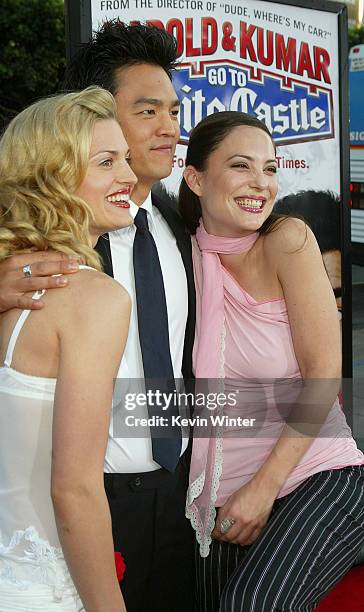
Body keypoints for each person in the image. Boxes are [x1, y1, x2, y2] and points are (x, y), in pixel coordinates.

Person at [0, 21, 196, 611]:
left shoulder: (186, 223)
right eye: (147, 110)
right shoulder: (34, 261)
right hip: (83, 506)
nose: (169, 127)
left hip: (176, 493)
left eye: (174, 110)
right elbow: (70, 487)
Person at [0, 87, 137, 611]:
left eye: (127, 160)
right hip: (40, 590)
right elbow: (73, 489)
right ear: (53, 176)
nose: (130, 177)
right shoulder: (96, 299)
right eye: (107, 161)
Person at [179, 111, 364, 611]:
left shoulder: (288, 240)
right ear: (196, 178)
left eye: (270, 168)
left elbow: (325, 377)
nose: (261, 183)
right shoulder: (181, 257)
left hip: (318, 474)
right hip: (218, 490)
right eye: (242, 166)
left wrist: (264, 489)